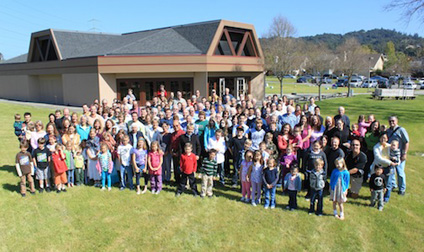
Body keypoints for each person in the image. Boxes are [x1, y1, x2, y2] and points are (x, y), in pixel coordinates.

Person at [386, 116, 409, 196]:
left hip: (399, 155)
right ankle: (393, 185)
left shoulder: (401, 130)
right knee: (391, 171)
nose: (391, 122)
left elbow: (406, 142)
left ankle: (402, 188)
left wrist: (404, 153)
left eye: (393, 121)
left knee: (400, 172)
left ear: (397, 121)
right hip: (390, 154)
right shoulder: (388, 131)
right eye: (390, 121)